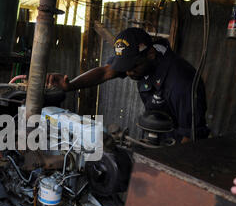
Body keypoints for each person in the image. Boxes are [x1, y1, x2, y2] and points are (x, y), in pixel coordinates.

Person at [47, 27, 209, 143]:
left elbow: (191, 136)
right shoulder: (141, 61)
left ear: (151, 54)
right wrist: (70, 85)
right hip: (157, 137)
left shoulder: (181, 82)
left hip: (180, 148)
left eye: (132, 66)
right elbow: (105, 72)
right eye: (124, 67)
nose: (128, 72)